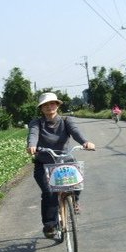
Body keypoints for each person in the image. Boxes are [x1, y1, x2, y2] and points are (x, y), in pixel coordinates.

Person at [27, 92, 96, 238]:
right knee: (49, 193)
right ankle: (50, 225)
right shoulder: (37, 123)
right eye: (45, 105)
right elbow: (33, 134)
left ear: (57, 105)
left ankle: (74, 200)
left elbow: (75, 132)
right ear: (41, 108)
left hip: (64, 160)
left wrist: (85, 142)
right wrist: (31, 145)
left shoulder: (66, 121)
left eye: (52, 103)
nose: (49, 107)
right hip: (43, 164)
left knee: (76, 183)